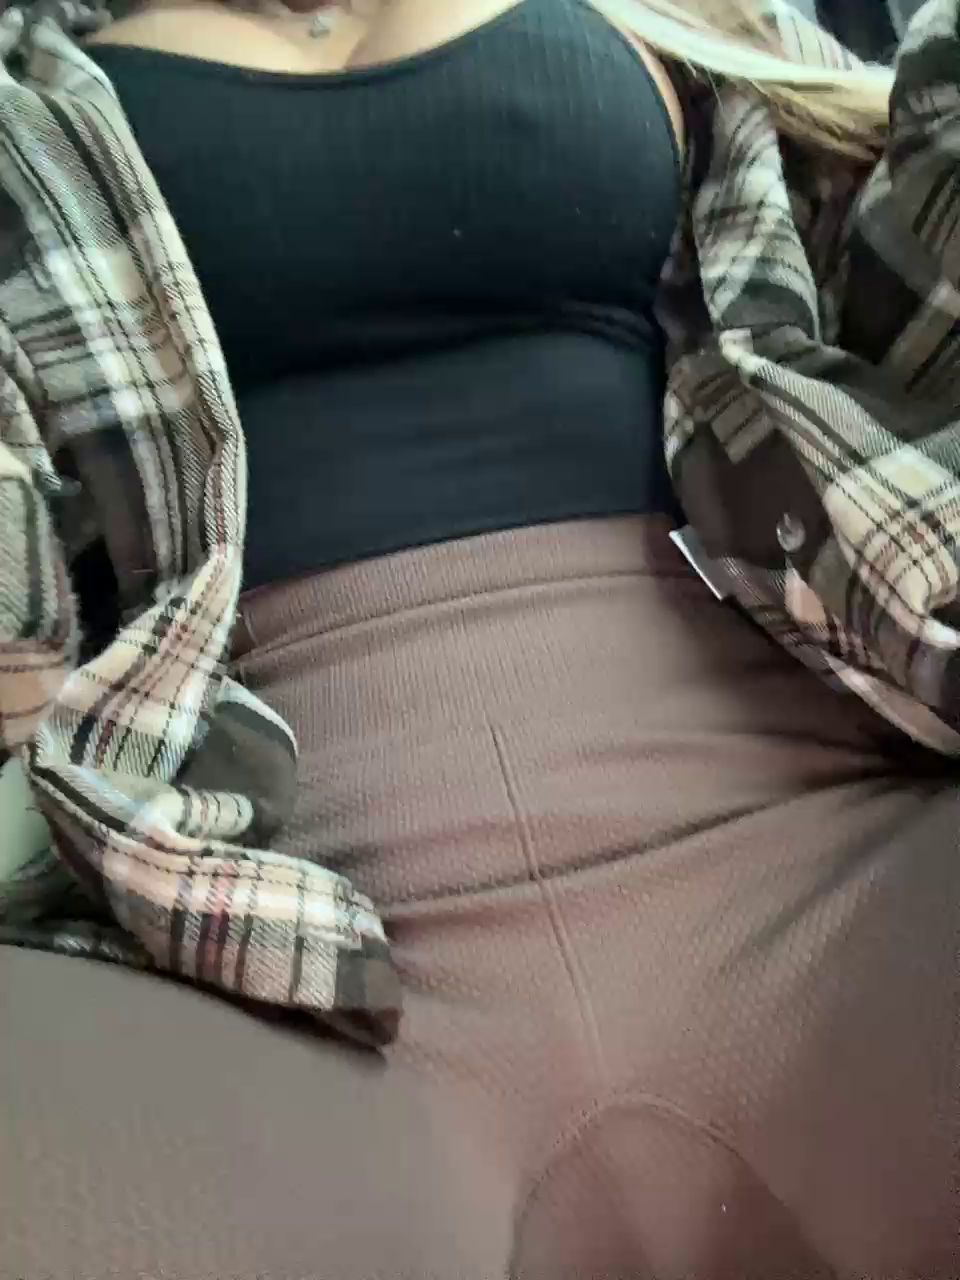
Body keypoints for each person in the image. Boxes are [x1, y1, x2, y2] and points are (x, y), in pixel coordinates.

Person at [1, 0, 958, 1275]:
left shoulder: (683, 28)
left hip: (832, 859)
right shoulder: (25, 87)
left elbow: (911, 271)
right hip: (259, 945)